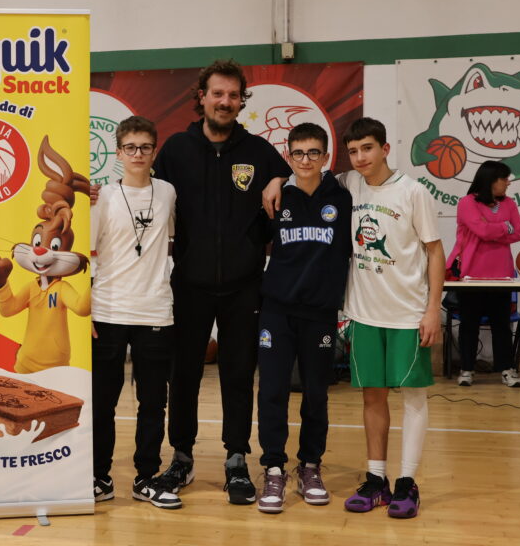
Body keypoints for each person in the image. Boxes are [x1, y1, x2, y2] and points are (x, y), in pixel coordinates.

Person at [264, 117, 443, 519]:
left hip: (408, 311)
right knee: (372, 396)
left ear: (385, 149)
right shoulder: (349, 185)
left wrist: (433, 309)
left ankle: (407, 482)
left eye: (368, 148)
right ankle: (376, 479)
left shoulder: (413, 192)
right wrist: (278, 178)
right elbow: (304, 171)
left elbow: (435, 251)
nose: (361, 157)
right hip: (364, 312)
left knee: (413, 396)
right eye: (355, 151)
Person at [151, 60, 289, 506]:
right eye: (218, 94)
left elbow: (292, 174)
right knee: (183, 374)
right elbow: (146, 197)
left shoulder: (259, 151)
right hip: (189, 282)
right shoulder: (175, 150)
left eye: (233, 95)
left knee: (237, 374)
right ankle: (182, 456)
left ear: (241, 100)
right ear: (202, 97)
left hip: (243, 284)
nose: (225, 102)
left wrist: (279, 177)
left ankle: (236, 459)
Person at [255, 123, 352, 514]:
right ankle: (273, 468)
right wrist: (276, 180)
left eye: (314, 153)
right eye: (298, 153)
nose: (306, 160)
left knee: (316, 394)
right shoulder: (277, 196)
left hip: (320, 313)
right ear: (289, 156)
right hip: (277, 310)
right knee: (272, 391)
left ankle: (310, 465)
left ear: (326, 156)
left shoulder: (343, 197)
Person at [90, 116, 181, 509]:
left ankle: (146, 478)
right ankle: (99, 477)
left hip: (155, 310)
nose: (138, 154)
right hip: (108, 310)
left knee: (153, 403)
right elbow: (85, 254)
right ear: (118, 152)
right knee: (103, 402)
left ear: (154, 151)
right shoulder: (102, 197)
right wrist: (85, 311)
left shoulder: (168, 193)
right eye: (131, 147)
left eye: (145, 147)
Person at [445, 161, 520, 387]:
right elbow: (482, 231)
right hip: (471, 274)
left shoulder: (509, 203)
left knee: (502, 324)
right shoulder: (467, 203)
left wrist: (492, 227)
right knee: (469, 324)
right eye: (504, 179)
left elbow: (519, 232)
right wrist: (505, 226)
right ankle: (466, 369)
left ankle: (507, 370)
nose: (508, 183)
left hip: (502, 275)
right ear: (491, 180)